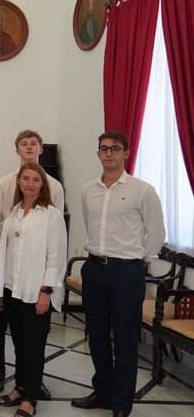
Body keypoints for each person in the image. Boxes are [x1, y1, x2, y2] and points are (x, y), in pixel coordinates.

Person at [72, 131, 165, 417]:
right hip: (94, 269)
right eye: (103, 148)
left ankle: (122, 403)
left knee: (125, 340)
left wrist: (139, 261)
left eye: (115, 148)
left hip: (126, 272)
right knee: (97, 337)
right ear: (98, 153)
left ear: (126, 153)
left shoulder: (142, 190)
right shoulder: (88, 189)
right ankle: (102, 392)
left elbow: (156, 233)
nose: (108, 153)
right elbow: (89, 225)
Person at [0, 130, 64, 394]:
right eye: (25, 180)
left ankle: (30, 392)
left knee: (33, 343)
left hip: (35, 285)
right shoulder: (11, 207)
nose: (30, 184)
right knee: (18, 340)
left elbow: (55, 252)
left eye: (35, 180)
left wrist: (47, 289)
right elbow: (3, 240)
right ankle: (16, 382)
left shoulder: (52, 208)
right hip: (11, 282)